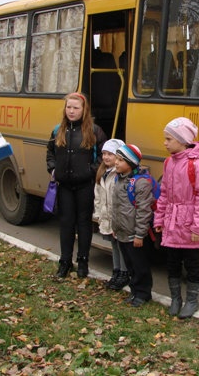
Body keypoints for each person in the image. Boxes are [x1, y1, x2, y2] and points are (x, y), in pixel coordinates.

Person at [153, 117, 199, 319]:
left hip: (188, 225)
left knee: (192, 264)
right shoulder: (169, 162)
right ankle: (176, 298)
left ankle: (192, 300)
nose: (165, 142)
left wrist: (198, 228)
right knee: (172, 262)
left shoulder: (196, 165)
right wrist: (159, 219)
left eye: (169, 139)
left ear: (182, 140)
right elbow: (164, 194)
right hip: (172, 223)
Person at [46, 92, 107, 278]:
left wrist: (90, 172)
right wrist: (53, 169)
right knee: (66, 224)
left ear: (84, 110)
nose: (71, 111)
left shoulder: (94, 131)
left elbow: (104, 158)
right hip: (64, 186)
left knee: (84, 224)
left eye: (76, 108)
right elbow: (50, 153)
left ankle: (83, 262)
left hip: (85, 186)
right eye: (68, 107)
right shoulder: (58, 130)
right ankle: (65, 261)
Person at [112, 144, 154, 307]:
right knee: (130, 265)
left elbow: (144, 211)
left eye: (120, 160)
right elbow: (116, 208)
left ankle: (143, 293)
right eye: (116, 158)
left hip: (135, 234)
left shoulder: (140, 183)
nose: (116, 162)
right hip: (122, 231)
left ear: (131, 163)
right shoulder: (119, 178)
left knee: (140, 265)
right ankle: (135, 291)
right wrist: (115, 229)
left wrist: (139, 234)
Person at [92, 138, 130, 290]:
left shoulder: (118, 175)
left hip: (118, 219)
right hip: (107, 217)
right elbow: (98, 196)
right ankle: (116, 271)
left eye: (110, 154)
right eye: (104, 154)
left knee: (121, 246)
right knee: (114, 245)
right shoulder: (102, 173)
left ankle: (124, 273)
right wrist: (98, 214)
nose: (106, 157)